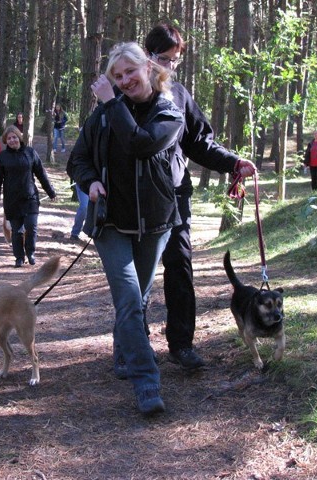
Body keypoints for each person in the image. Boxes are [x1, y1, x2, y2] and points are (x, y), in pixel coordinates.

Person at [67, 42, 184, 416]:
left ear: (148, 67)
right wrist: (90, 183)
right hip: (111, 223)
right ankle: (147, 382)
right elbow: (78, 158)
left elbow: (140, 144)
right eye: (117, 77)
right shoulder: (103, 115)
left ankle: (124, 348)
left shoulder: (169, 111)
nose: (125, 80)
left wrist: (110, 103)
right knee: (130, 298)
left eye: (130, 71)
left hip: (155, 223)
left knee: (140, 297)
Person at [143, 24, 257, 371]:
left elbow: (200, 142)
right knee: (138, 277)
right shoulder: (128, 89)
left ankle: (182, 345)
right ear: (148, 55)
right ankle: (132, 347)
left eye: (175, 61)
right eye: (165, 59)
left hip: (176, 195)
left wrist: (233, 161)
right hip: (136, 200)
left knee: (180, 268)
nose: (170, 67)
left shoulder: (179, 94)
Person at [0, 125, 56, 267]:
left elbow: (41, 174)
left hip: (30, 198)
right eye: (9, 138)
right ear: (5, 141)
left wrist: (50, 191)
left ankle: (30, 253)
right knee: (17, 231)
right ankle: (19, 257)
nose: (12, 140)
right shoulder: (2, 157)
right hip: (12, 200)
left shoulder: (30, 153)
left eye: (14, 137)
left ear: (19, 138)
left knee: (31, 227)